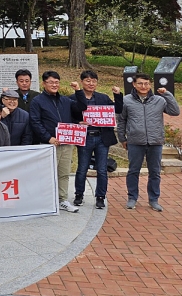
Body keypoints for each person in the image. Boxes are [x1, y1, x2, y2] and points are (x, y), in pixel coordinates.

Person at [118, 73, 180, 212]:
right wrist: (122, 138)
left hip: (155, 142)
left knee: (155, 172)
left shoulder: (159, 100)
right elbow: (121, 120)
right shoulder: (126, 100)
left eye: (146, 83)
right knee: (133, 171)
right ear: (134, 84)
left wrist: (167, 94)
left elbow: (175, 111)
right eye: (140, 83)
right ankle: (132, 197)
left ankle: (153, 199)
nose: (143, 86)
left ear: (150, 85)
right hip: (135, 141)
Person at [30, 71, 87, 213]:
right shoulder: (37, 101)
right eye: (51, 82)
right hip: (49, 144)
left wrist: (78, 91)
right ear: (44, 84)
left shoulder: (65, 100)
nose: (54, 85)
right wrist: (48, 138)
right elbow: (35, 122)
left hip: (67, 143)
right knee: (48, 173)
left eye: (57, 82)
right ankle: (45, 200)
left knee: (64, 173)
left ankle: (62, 200)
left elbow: (82, 107)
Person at [69, 70, 120, 209]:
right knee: (82, 168)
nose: (91, 84)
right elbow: (69, 116)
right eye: (88, 81)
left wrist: (117, 95)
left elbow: (118, 109)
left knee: (102, 169)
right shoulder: (73, 98)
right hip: (85, 137)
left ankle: (100, 197)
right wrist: (77, 123)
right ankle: (79, 194)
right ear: (82, 82)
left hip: (102, 137)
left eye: (94, 81)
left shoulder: (103, 98)